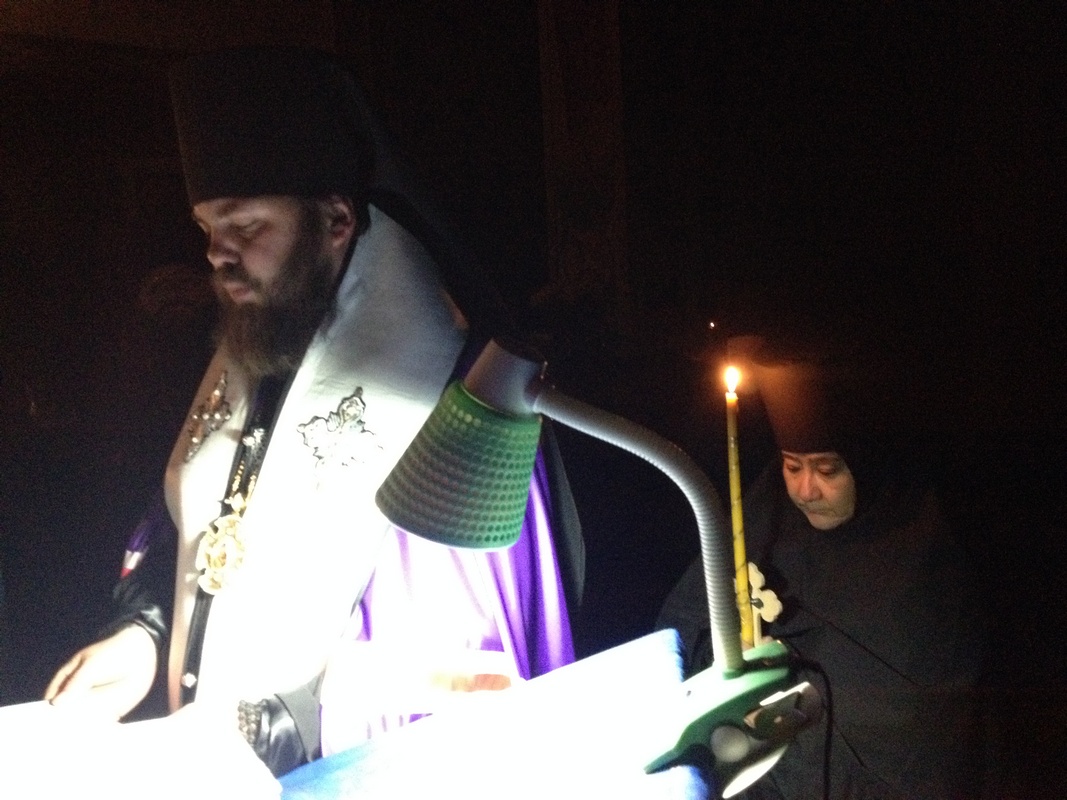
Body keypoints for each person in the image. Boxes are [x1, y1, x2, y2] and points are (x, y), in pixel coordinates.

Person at [44, 46, 582, 776]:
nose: (218, 257)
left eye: (246, 227)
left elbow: (463, 664)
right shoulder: (257, 348)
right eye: (207, 230)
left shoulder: (456, 395)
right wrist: (143, 637)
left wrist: (274, 723)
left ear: (335, 220)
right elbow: (210, 539)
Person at [657, 345, 984, 800]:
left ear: (866, 465)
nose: (805, 490)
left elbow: (912, 727)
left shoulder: (919, 556)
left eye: (827, 470)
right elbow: (685, 622)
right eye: (792, 466)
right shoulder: (765, 516)